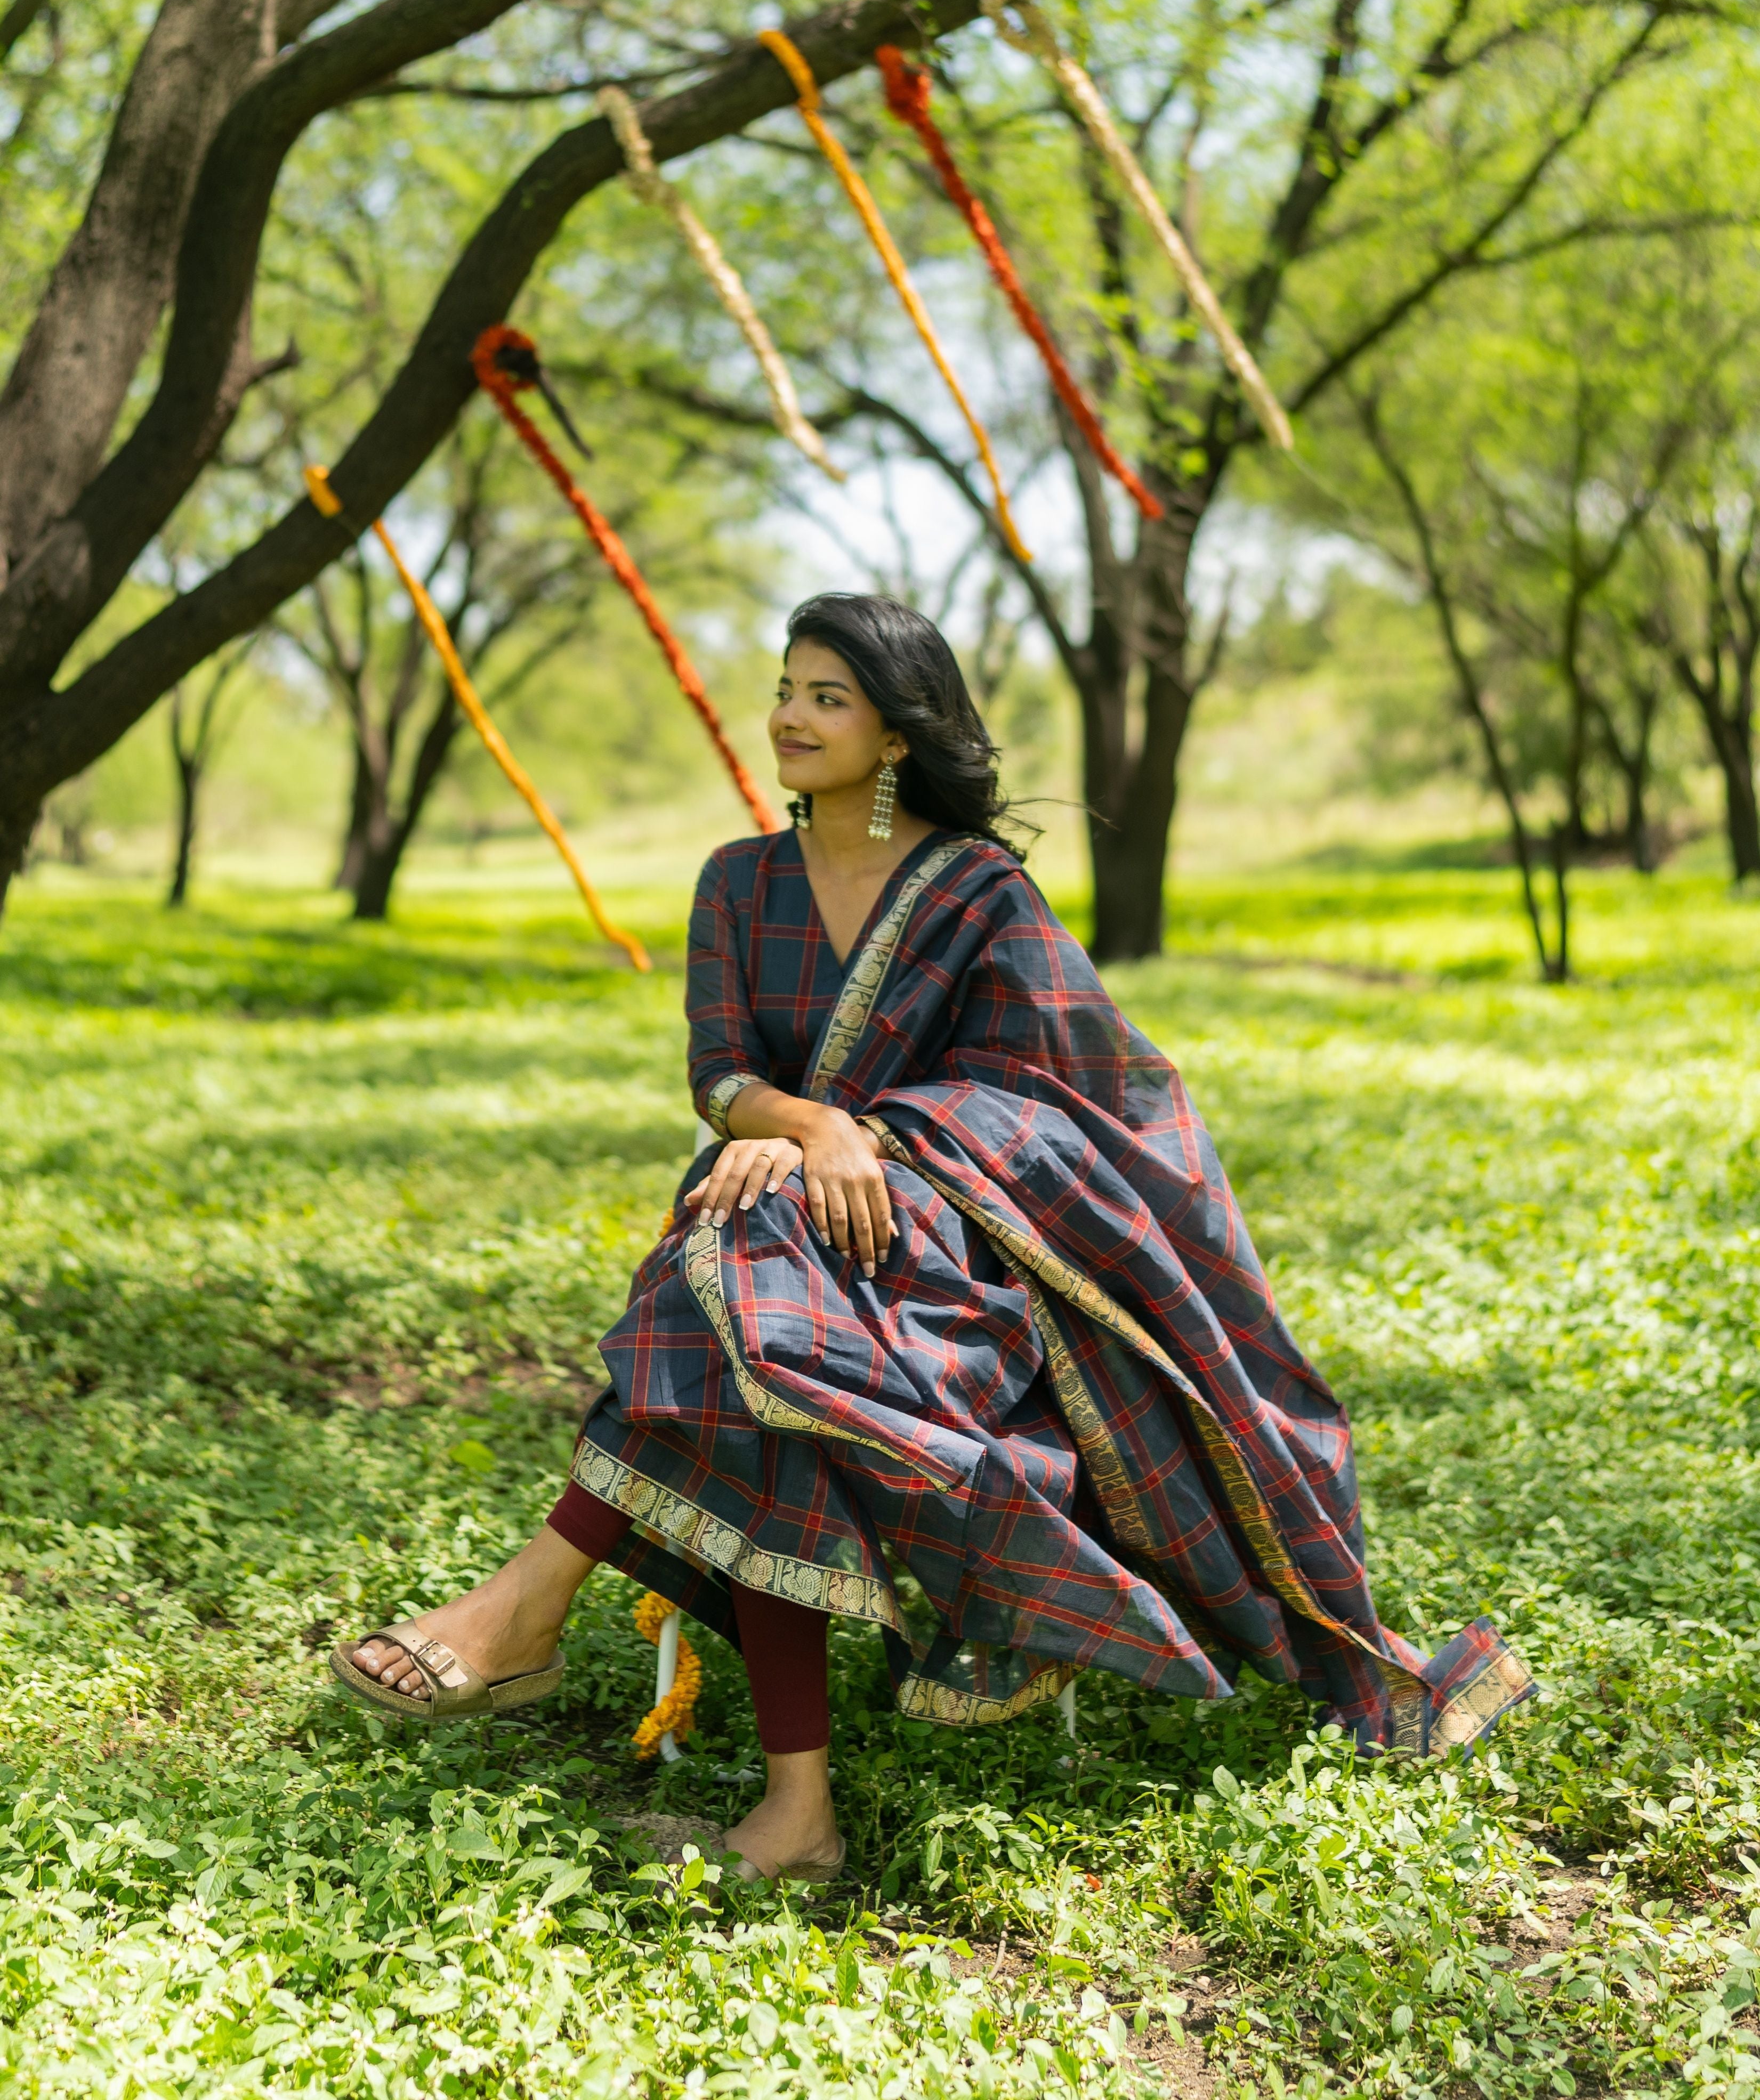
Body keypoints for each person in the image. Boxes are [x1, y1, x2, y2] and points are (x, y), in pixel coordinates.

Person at [334, 590, 1532, 1879]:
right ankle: (786, 1808)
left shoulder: (977, 892)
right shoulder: (738, 879)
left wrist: (873, 1138)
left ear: (897, 733)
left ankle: (537, 1615)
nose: (788, 717)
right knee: (759, 1311)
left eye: (827, 697)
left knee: (742, 1284)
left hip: (952, 1240)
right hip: (775, 1206)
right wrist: (806, 1128)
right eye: (784, 690)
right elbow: (719, 1071)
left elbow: (1054, 1090)